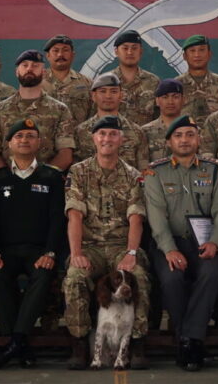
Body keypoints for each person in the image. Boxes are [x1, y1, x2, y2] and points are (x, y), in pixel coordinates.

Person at [144, 115, 218, 371]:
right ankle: (192, 341)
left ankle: (188, 339)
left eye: (190, 135)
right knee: (172, 279)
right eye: (178, 135)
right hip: (168, 243)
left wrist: (215, 242)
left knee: (211, 273)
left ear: (199, 140)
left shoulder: (214, 171)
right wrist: (170, 250)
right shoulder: (155, 173)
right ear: (168, 142)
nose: (184, 140)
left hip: (204, 242)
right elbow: (156, 217)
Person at [63, 117, 152, 370]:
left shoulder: (133, 175)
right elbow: (75, 215)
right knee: (75, 278)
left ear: (122, 140)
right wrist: (76, 253)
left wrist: (131, 253)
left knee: (138, 276)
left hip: (120, 246)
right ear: (93, 138)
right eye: (102, 134)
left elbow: (136, 219)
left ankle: (137, 343)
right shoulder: (79, 172)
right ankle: (79, 344)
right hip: (89, 246)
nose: (107, 139)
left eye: (113, 134)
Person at [0, 118, 68, 369]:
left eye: (30, 136)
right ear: (8, 144)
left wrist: (50, 252)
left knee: (43, 276)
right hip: (5, 251)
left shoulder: (52, 177)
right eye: (19, 136)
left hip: (39, 251)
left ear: (39, 143)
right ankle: (17, 341)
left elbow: (57, 219)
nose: (25, 140)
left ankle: (15, 341)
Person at [0, 49, 76, 172]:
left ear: (44, 73)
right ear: (17, 71)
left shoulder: (60, 110)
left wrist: (47, 175)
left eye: (35, 66)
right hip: (8, 178)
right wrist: (2, 175)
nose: (29, 69)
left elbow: (65, 153)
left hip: (46, 179)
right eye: (25, 65)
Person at [73, 73, 150, 166]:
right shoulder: (80, 132)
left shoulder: (137, 132)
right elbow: (74, 169)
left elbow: (143, 169)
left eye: (113, 91)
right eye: (103, 91)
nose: (108, 96)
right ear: (94, 96)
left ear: (121, 96)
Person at [109, 31, 165, 123]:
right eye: (125, 48)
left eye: (134, 48)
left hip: (145, 132)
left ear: (141, 51)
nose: (130, 52)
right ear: (116, 51)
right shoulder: (106, 81)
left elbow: (160, 118)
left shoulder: (153, 82)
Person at [173, 33, 218, 120]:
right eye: (192, 51)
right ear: (184, 56)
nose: (197, 55)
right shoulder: (175, 86)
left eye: (202, 50)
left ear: (209, 54)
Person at [43, 35, 94, 123]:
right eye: (56, 50)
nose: (60, 54)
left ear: (73, 55)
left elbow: (94, 116)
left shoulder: (87, 83)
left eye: (65, 50)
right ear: (48, 55)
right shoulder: (36, 83)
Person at [140, 80, 190, 154]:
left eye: (175, 97)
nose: (170, 102)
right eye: (165, 97)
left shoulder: (193, 131)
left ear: (183, 100)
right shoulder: (144, 132)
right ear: (157, 101)